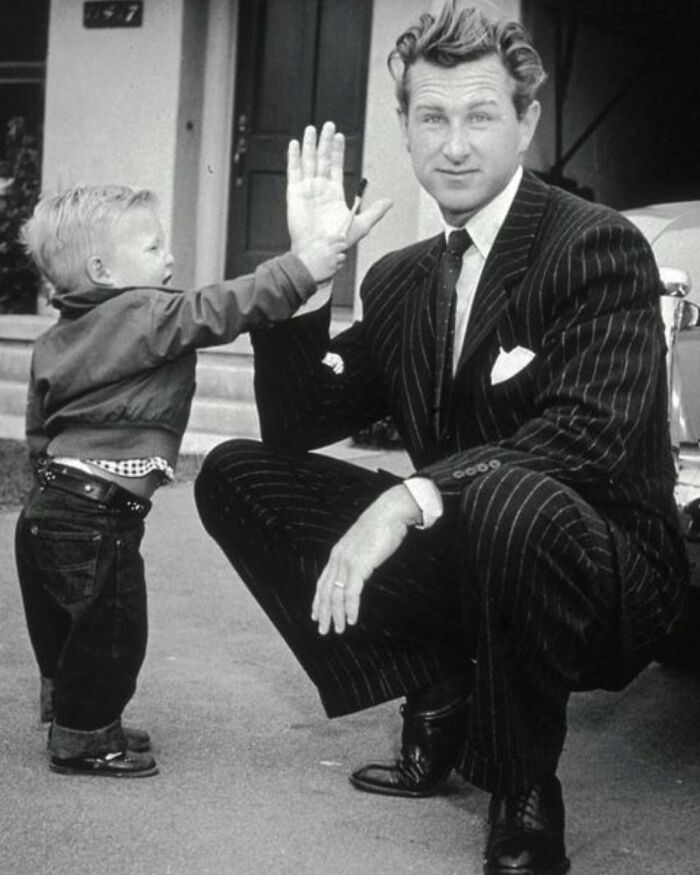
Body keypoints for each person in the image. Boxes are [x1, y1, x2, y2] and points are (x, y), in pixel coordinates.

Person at [194, 2, 688, 872]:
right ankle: (442, 683)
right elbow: (299, 421)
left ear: (528, 122)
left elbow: (588, 436)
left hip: (600, 571)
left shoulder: (598, 247)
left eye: (481, 115)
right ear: (406, 126)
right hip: (471, 555)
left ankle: (525, 786)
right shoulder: (399, 279)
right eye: (432, 117)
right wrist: (307, 273)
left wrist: (411, 493)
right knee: (235, 472)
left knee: (502, 491)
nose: (454, 145)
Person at [15, 169, 389, 778]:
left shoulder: (58, 338)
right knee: (113, 630)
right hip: (96, 513)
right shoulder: (144, 313)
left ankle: (78, 717)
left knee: (69, 622)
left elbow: (39, 427)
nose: (170, 256)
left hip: (50, 508)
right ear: (105, 272)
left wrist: (44, 492)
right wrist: (304, 266)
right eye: (153, 246)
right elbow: (219, 309)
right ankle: (84, 739)